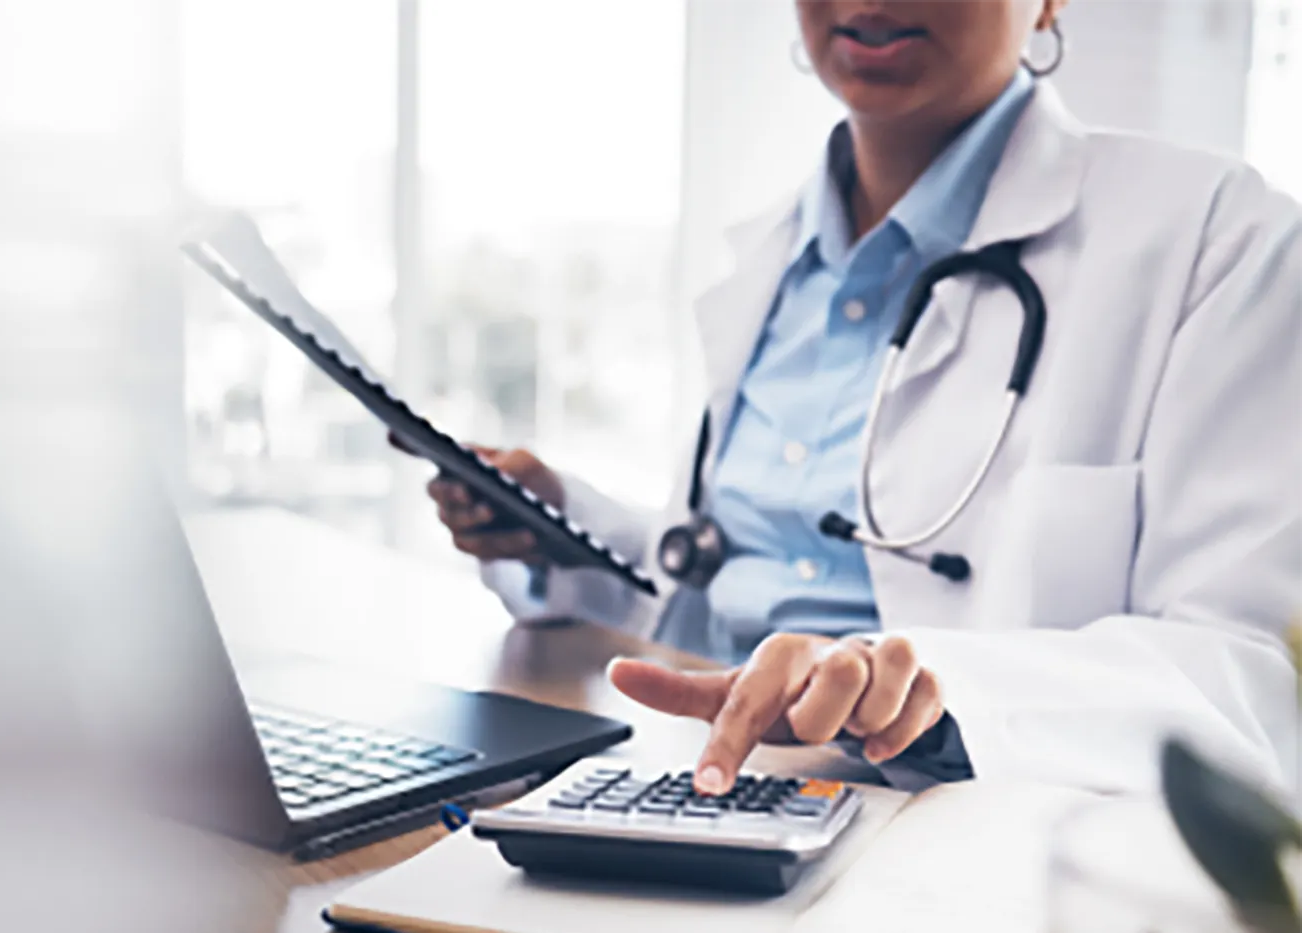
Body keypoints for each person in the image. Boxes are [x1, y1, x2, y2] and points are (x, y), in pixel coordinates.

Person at [427, 0, 1302, 798]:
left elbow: (1249, 671)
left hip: (958, 826)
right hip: (706, 778)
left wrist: (929, 690)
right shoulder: (772, 257)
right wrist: (564, 525)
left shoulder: (1217, 239)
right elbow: (735, 588)